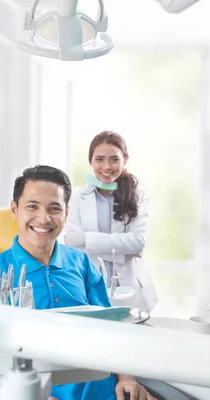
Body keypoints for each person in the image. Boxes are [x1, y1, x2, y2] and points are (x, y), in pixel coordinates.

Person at [0, 165, 156, 400]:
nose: (44, 218)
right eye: (32, 206)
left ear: (66, 213)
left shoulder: (81, 263)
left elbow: (112, 327)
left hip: (105, 391)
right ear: (14, 209)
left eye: (54, 208)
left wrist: (127, 378)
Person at [64, 131, 158, 312]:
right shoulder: (75, 196)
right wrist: (121, 246)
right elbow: (71, 241)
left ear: (125, 160)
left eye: (114, 159)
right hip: (89, 285)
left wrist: (87, 240)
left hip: (132, 290)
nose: (107, 166)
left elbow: (138, 243)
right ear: (90, 161)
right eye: (99, 159)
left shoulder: (138, 194)